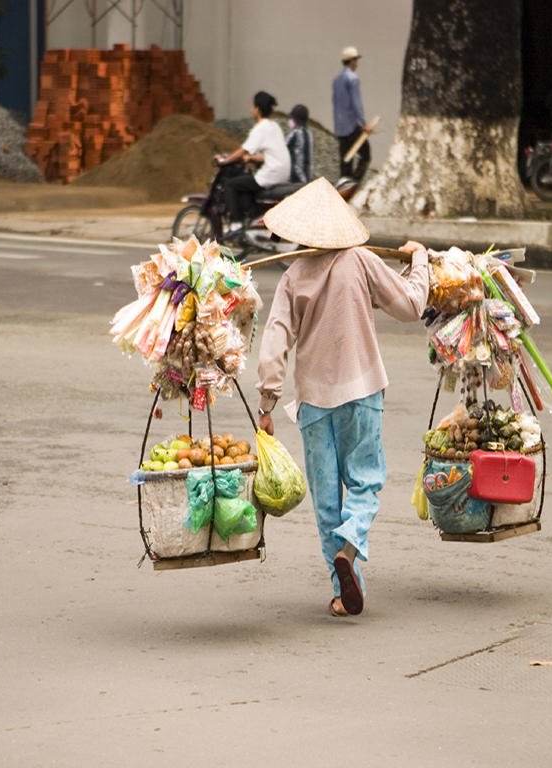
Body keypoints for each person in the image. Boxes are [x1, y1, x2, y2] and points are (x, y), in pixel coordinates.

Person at [255, 178, 429, 618]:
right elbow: (411, 306)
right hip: (362, 391)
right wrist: (421, 259)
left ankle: (341, 588)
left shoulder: (293, 276)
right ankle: (348, 552)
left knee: (326, 500)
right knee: (366, 480)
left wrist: (267, 405)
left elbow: (275, 340)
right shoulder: (361, 261)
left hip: (313, 402)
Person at [216, 91, 291, 227]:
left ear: (257, 109)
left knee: (229, 184)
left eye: (252, 106)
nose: (251, 109)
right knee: (246, 183)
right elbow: (270, 154)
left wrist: (224, 160)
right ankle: (249, 218)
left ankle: (236, 224)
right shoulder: (275, 127)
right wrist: (252, 158)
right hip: (282, 173)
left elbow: (243, 150)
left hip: (270, 174)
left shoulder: (260, 128)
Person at [332, 46, 373, 182]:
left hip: (340, 128)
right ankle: (354, 184)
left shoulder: (337, 80)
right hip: (352, 126)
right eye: (356, 60)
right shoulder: (353, 79)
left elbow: (335, 103)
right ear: (352, 61)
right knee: (365, 155)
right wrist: (365, 124)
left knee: (345, 161)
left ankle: (344, 188)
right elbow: (357, 104)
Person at [286, 104, 315, 184]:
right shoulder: (310, 135)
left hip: (296, 178)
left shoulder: (295, 134)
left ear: (295, 119)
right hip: (308, 177)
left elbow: (284, 150)